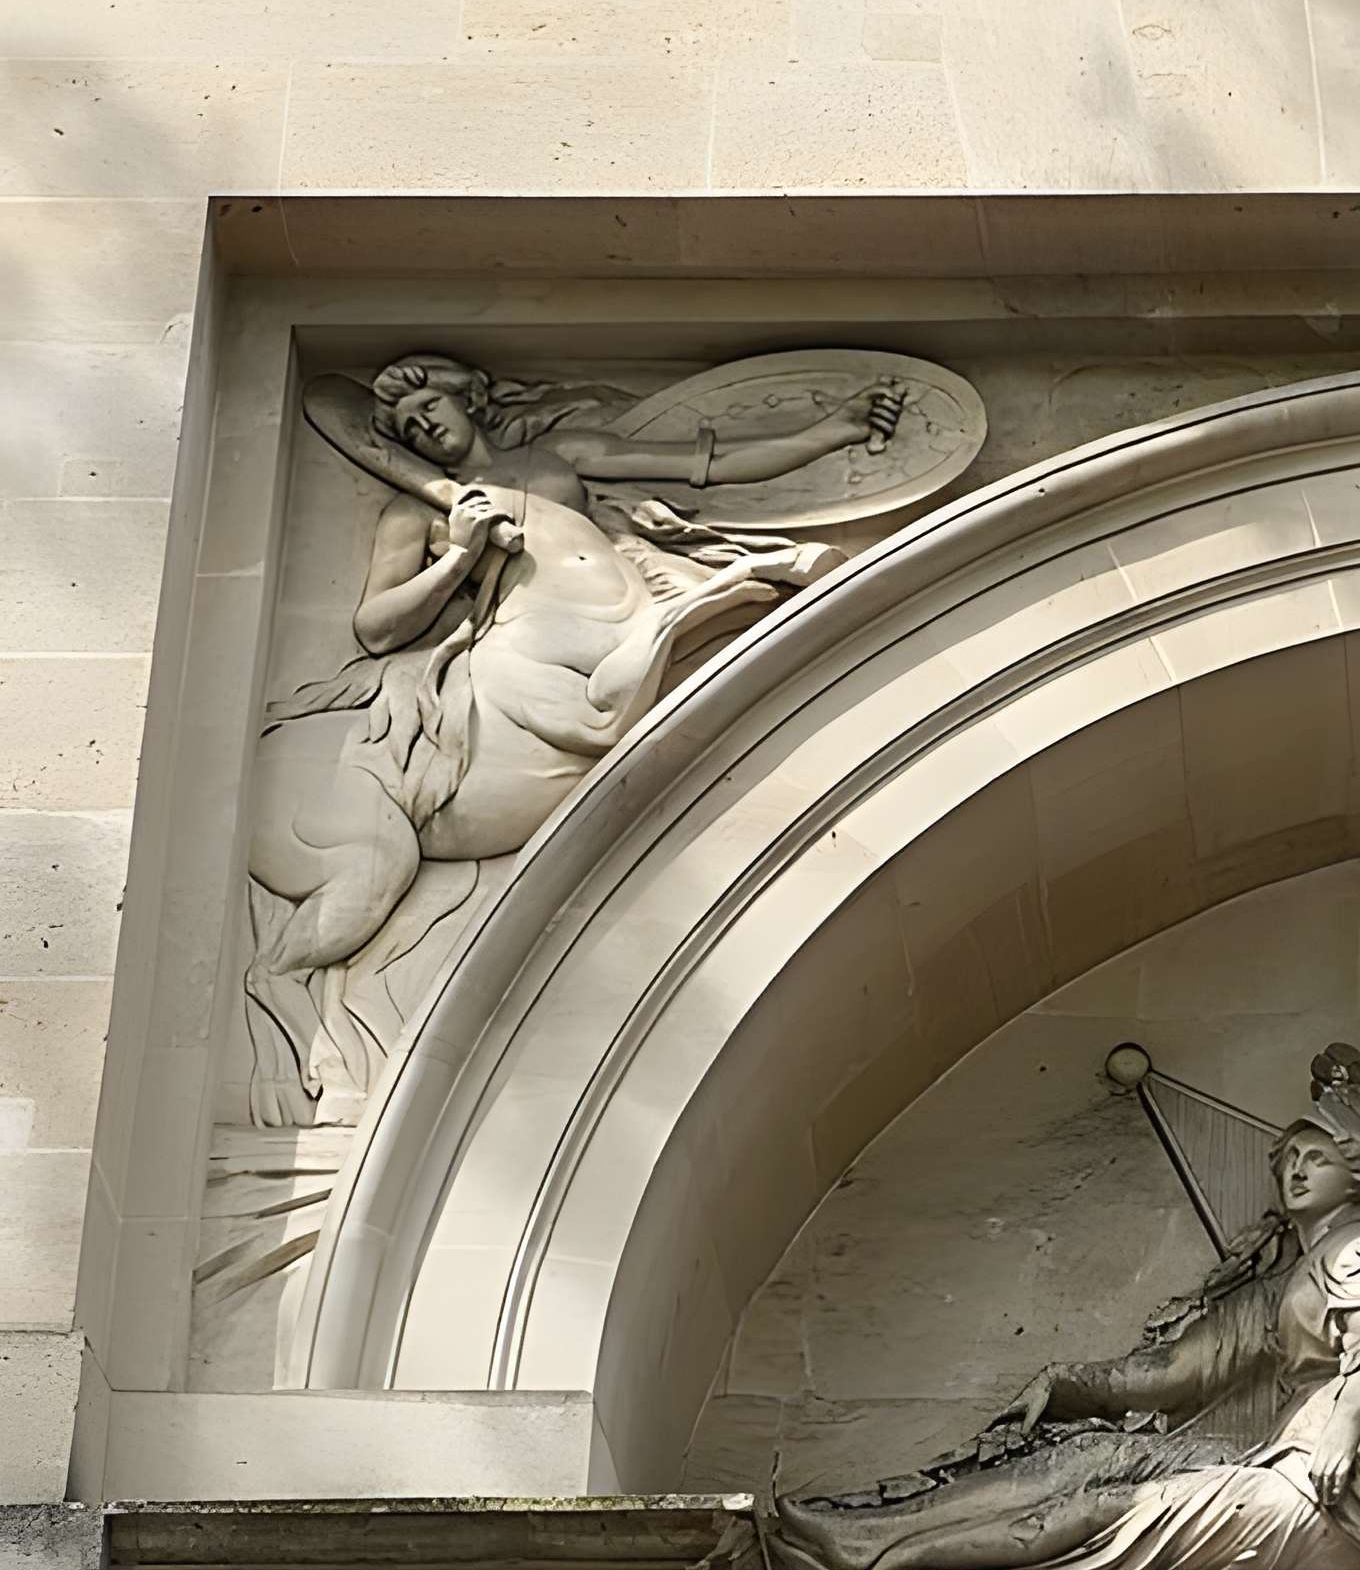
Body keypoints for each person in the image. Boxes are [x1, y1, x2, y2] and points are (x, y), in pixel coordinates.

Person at [245, 353, 906, 1121]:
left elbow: (709, 464)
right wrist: (459, 554)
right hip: (519, 653)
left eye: (430, 407)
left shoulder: (557, 463)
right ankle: (288, 1011)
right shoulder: (414, 513)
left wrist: (832, 431)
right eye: (405, 428)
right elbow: (376, 624)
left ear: (470, 399)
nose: (421, 428)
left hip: (624, 615)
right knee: (391, 855)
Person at [767, 1050, 1360, 1570]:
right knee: (1090, 1458)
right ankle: (869, 1535)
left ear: (1357, 1172)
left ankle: (884, 1556)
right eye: (1291, 1158)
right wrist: (1067, 1382)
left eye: (1319, 1158)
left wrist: (1345, 1425)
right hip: (1287, 1469)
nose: (1298, 1171)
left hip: (1345, 1500)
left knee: (1107, 1509)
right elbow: (1183, 1370)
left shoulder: (1359, 1247)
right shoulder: (1289, 1282)